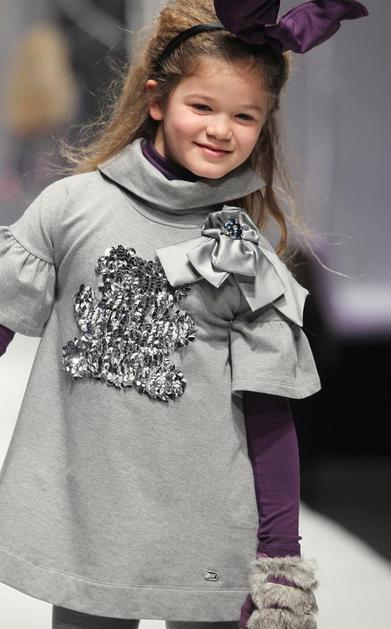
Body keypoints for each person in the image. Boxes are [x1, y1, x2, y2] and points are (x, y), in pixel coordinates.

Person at [0, 1, 369, 627]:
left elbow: (268, 415)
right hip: (89, 520)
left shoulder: (244, 256)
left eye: (244, 115)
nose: (221, 129)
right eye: (202, 106)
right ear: (157, 100)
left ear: (264, 125)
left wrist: (281, 558)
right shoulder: (71, 207)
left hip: (208, 531)